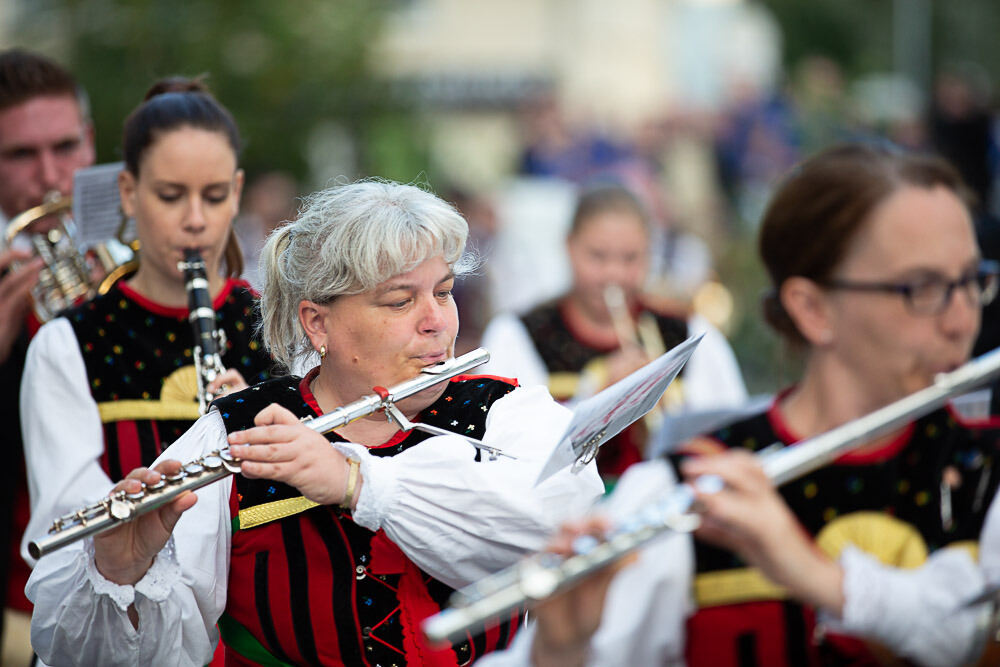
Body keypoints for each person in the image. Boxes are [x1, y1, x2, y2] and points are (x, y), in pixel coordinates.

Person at [24, 178, 605, 666]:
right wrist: (123, 575)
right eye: (400, 301)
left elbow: (555, 526)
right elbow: (152, 652)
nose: (436, 323)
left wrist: (358, 483)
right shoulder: (239, 432)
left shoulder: (505, 411)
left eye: (445, 292)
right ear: (318, 324)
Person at [482, 143, 1000, 666]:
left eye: (973, 282)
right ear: (813, 309)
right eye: (923, 287)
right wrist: (561, 651)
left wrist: (813, 573)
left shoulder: (988, 468)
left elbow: (965, 634)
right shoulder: (696, 488)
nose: (963, 323)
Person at [18, 77, 273, 659]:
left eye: (213, 196)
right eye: (169, 195)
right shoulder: (71, 343)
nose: (194, 221)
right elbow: (66, 538)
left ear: (237, 192)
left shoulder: (276, 325)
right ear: (128, 193)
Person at [480, 183, 747, 481]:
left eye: (630, 258)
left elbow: (728, 430)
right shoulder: (517, 334)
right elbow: (503, 445)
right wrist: (596, 394)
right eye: (598, 256)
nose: (614, 275)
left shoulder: (690, 332)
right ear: (569, 247)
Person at [0, 48, 96, 664]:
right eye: (21, 155)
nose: (51, 176)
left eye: (65, 147)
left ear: (91, 142)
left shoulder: (139, 250)